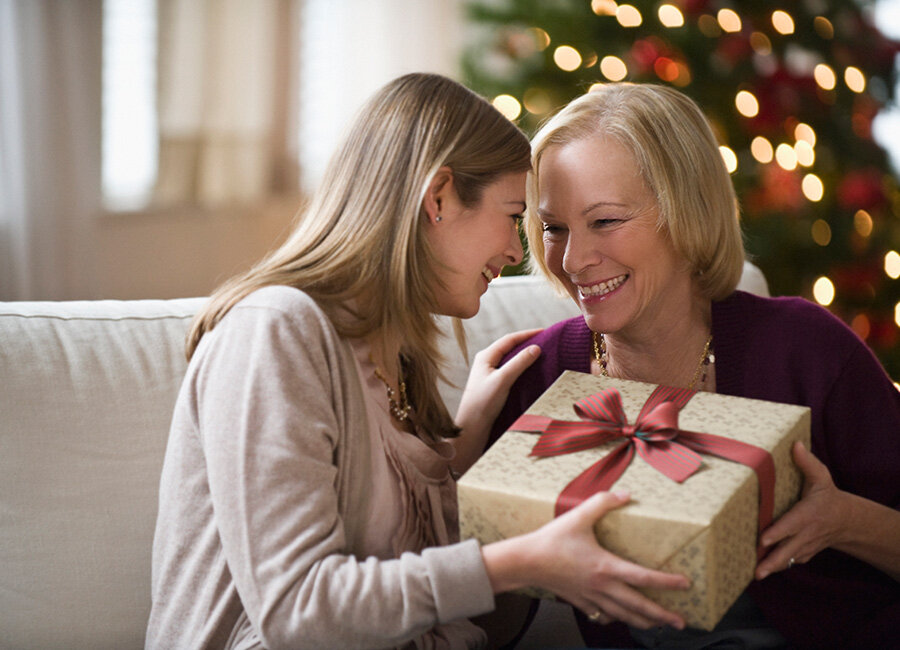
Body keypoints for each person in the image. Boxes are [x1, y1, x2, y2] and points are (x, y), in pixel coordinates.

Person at [144, 73, 693, 650]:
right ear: (439, 197)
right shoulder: (276, 332)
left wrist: (459, 450)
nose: (515, 250)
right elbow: (299, 613)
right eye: (513, 216)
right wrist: (515, 562)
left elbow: (435, 602)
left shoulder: (395, 357)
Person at [488, 83, 900, 649]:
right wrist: (461, 455)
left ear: (687, 212)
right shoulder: (534, 378)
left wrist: (844, 521)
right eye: (554, 228)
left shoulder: (807, 351)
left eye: (605, 222)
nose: (572, 260)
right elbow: (489, 630)